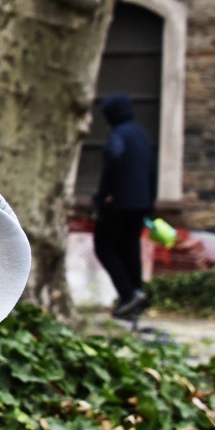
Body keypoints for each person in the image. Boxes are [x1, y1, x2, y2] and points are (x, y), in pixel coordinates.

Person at [92, 92, 157, 320]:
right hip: (140, 203)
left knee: (105, 247)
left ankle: (128, 295)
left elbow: (114, 157)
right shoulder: (142, 135)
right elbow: (152, 172)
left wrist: (103, 196)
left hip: (117, 202)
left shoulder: (118, 134)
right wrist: (150, 204)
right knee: (130, 248)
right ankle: (136, 293)